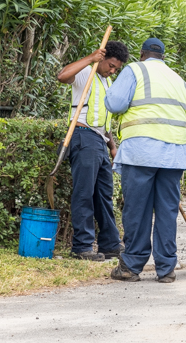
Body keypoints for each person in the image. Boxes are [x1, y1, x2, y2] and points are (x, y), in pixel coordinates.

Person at [105, 37, 186, 284]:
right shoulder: (180, 81)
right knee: (167, 211)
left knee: (137, 209)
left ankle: (131, 266)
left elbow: (115, 104)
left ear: (142, 54)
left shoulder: (135, 70)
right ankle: (166, 269)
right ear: (163, 57)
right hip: (174, 155)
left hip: (142, 152)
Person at [55, 41, 129, 261]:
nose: (112, 71)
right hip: (83, 136)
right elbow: (62, 76)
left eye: (116, 68)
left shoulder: (107, 82)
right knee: (84, 193)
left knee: (104, 195)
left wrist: (112, 146)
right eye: (111, 66)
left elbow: (103, 121)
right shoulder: (86, 72)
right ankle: (82, 247)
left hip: (99, 141)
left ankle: (110, 244)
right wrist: (91, 58)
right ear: (102, 57)